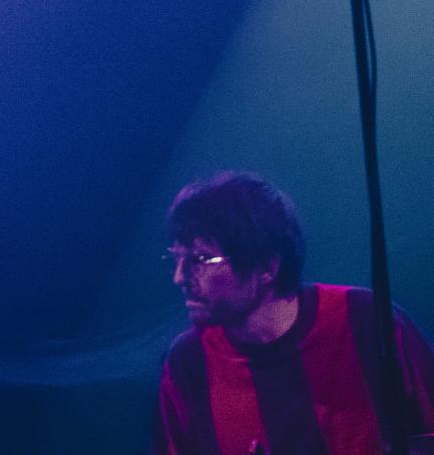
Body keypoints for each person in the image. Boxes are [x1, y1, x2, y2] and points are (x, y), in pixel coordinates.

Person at [154, 170, 434, 454]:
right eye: (177, 259)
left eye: (200, 259)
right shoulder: (189, 362)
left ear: (266, 266)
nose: (179, 277)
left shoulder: (364, 320)